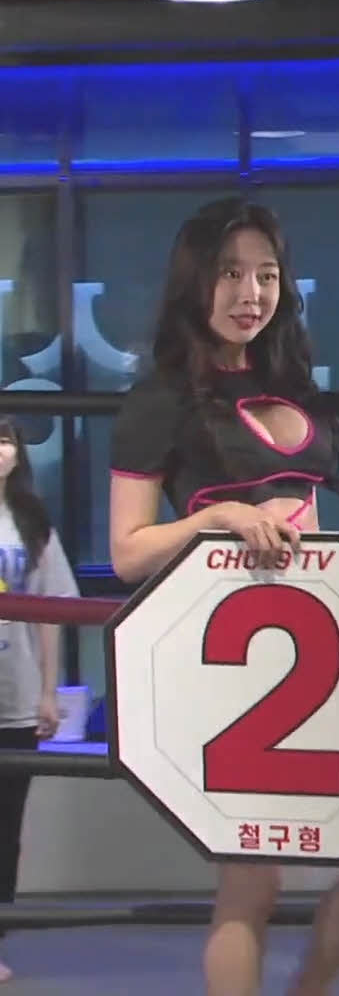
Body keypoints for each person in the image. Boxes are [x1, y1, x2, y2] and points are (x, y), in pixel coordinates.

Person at [109, 197, 339, 996]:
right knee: (252, 882)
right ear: (195, 281)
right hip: (234, 655)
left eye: (267, 275)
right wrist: (217, 518)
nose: (250, 293)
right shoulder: (163, 396)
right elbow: (127, 551)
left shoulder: (292, 381)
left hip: (320, 647)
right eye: (231, 274)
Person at [0, 417, 78, 983]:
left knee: (5, 829)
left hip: (15, 695)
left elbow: (55, 611)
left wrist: (50, 692)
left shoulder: (31, 522)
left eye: (6, 439)